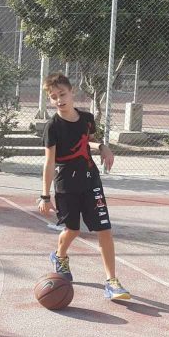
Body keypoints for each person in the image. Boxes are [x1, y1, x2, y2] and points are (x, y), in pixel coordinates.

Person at [37, 72, 130, 301]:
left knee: (104, 229)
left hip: (91, 181)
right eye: (54, 97)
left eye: (62, 94)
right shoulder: (52, 127)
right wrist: (45, 196)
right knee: (73, 230)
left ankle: (112, 281)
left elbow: (88, 140)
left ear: (72, 92)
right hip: (66, 184)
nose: (59, 100)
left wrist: (103, 147)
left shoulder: (87, 119)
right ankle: (60, 256)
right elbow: (49, 162)